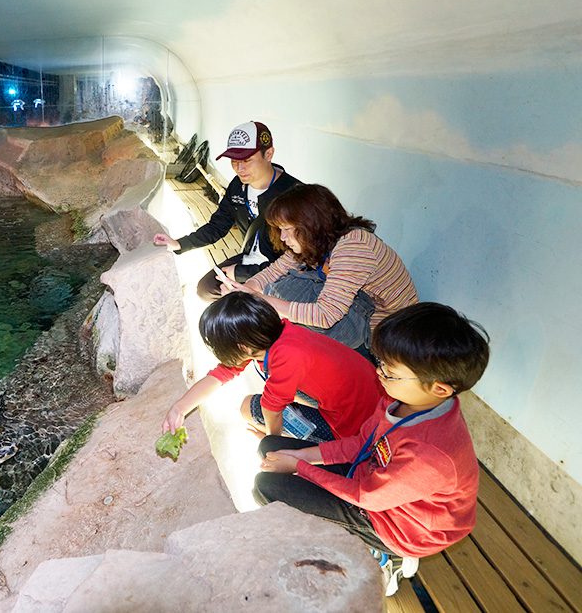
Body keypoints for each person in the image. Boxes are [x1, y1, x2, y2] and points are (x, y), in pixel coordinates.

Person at [254, 303, 489, 596]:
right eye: (381, 364)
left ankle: (386, 555)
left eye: (391, 373)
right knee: (270, 446)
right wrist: (302, 456)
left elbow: (367, 498)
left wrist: (300, 468)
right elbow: (362, 443)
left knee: (267, 487)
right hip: (375, 478)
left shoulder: (429, 457)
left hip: (402, 525)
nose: (379, 374)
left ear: (439, 388)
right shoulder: (401, 401)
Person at [162, 293, 383, 444]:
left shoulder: (287, 357)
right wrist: (179, 408)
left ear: (243, 347)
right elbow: (221, 374)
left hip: (358, 429)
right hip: (374, 400)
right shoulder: (271, 334)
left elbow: (271, 409)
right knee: (262, 404)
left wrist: (272, 442)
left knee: (249, 410)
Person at [228, 184, 418, 350]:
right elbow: (276, 270)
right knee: (279, 288)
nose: (283, 238)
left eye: (287, 229)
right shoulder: (320, 240)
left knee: (282, 291)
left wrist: (263, 301)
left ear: (311, 224)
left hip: (381, 332)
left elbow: (326, 315)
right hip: (361, 310)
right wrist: (248, 288)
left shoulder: (353, 247)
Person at [153, 121, 301, 301]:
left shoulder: (294, 194)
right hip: (250, 258)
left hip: (282, 270)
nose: (239, 168)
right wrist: (179, 244)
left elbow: (297, 259)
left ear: (268, 154)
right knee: (205, 289)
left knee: (248, 302)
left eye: (247, 160)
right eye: (234, 161)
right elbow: (218, 226)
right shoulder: (238, 186)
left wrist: (241, 273)